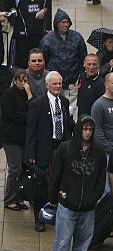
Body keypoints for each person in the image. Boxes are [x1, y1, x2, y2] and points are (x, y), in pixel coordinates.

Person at [47, 114, 107, 251]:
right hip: (67, 205)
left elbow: (101, 178)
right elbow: (55, 175)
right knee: (62, 242)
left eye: (90, 129)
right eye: (84, 129)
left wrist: (95, 197)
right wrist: (54, 198)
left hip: (88, 208)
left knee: (82, 244)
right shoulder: (65, 148)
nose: (87, 132)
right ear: (78, 129)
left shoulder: (99, 152)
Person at [25, 71, 74, 232]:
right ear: (47, 85)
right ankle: (39, 218)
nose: (58, 86)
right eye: (54, 83)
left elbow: (68, 126)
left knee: (58, 183)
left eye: (60, 83)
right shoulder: (37, 104)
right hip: (43, 149)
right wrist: (30, 154)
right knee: (41, 186)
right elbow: (31, 131)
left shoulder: (65, 102)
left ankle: (54, 215)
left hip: (60, 148)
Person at [40, 9, 87, 122]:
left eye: (67, 22)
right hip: (55, 83)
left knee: (73, 110)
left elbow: (82, 57)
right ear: (56, 24)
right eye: (63, 22)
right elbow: (43, 61)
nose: (66, 25)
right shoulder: (47, 40)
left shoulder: (77, 37)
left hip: (73, 82)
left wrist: (80, 76)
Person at [8, 0, 48, 69]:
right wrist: (13, 13)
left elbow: (46, 6)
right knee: (20, 66)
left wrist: (43, 12)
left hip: (37, 34)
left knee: (38, 64)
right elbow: (9, 8)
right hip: (21, 36)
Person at [1, 70, 32, 211]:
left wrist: (30, 95)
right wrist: (27, 116)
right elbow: (13, 114)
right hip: (11, 137)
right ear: (15, 80)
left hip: (24, 137)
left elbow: (34, 109)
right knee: (15, 169)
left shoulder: (27, 94)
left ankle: (19, 197)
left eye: (25, 80)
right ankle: (9, 199)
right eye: (20, 80)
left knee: (23, 169)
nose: (23, 83)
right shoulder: (8, 94)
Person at [91, 72, 113, 155]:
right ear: (106, 85)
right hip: (108, 152)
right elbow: (97, 131)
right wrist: (110, 148)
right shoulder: (98, 105)